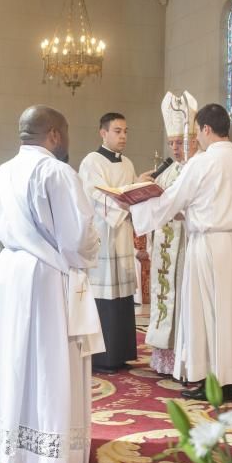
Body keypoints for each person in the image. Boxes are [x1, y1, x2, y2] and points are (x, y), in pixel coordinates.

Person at [0, 105, 102, 463]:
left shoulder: (6, 170)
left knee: (15, 366)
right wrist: (88, 255)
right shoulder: (56, 172)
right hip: (45, 278)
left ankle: (15, 461)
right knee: (48, 367)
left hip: (10, 272)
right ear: (55, 135)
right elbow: (77, 238)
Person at [131, 104, 232, 403]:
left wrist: (135, 200)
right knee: (231, 314)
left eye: (197, 130)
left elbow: (172, 200)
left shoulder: (202, 162)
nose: (196, 137)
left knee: (205, 313)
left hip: (208, 244)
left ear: (207, 129)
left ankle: (212, 382)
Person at [77, 113, 138, 374]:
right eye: (117, 131)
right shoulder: (92, 161)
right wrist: (126, 200)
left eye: (125, 131)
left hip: (122, 234)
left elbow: (130, 194)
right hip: (103, 235)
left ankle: (121, 353)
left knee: (122, 296)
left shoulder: (128, 163)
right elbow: (95, 195)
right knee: (104, 296)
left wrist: (140, 188)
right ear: (103, 133)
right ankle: (102, 357)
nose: (122, 136)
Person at [146, 92, 200, 377]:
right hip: (166, 249)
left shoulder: (198, 168)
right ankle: (164, 356)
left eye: (180, 143)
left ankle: (184, 357)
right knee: (166, 297)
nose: (176, 148)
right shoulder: (166, 172)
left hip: (188, 247)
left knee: (182, 300)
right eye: (171, 143)